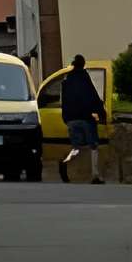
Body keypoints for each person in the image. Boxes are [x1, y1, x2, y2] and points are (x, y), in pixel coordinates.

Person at [57, 54, 105, 183]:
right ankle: (95, 175)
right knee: (93, 146)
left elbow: (64, 102)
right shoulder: (84, 78)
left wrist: (66, 118)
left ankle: (65, 162)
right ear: (83, 64)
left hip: (71, 120)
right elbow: (93, 97)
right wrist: (102, 115)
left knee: (76, 148)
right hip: (85, 118)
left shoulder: (67, 80)